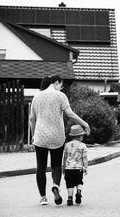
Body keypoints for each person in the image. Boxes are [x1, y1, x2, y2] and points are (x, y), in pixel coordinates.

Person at [29, 75, 90, 206]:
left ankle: (43, 197)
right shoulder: (60, 96)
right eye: (61, 85)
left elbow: (32, 119)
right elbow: (70, 114)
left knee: (41, 166)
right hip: (57, 136)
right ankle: (56, 185)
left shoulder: (37, 96)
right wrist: (85, 124)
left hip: (40, 136)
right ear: (56, 82)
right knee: (56, 165)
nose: (61, 88)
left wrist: (34, 135)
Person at [63, 124, 88, 206]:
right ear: (80, 136)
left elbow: (65, 157)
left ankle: (70, 198)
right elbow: (84, 157)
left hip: (68, 168)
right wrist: (85, 167)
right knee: (79, 182)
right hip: (78, 168)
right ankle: (78, 192)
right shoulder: (83, 145)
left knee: (69, 184)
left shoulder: (67, 145)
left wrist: (63, 168)